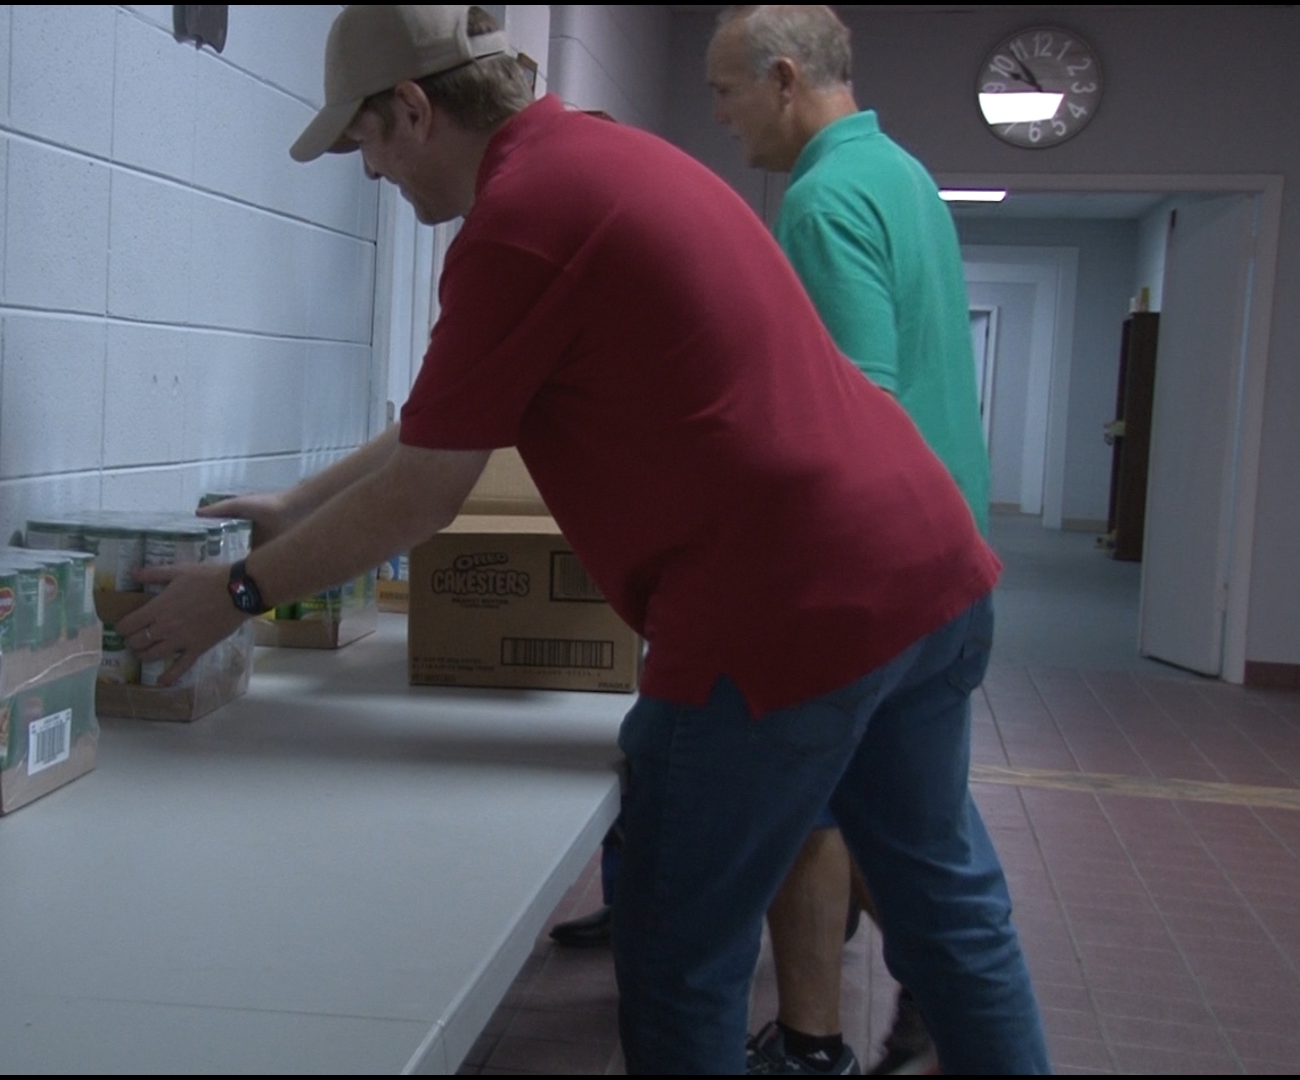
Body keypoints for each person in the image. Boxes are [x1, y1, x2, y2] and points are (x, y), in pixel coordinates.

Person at [115, 6, 1048, 1073]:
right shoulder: (596, 160)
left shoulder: (519, 221)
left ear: (413, 110)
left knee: (681, 949)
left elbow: (427, 490)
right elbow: (444, 421)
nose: (366, 170)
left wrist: (238, 590)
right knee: (948, 910)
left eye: (361, 141)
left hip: (785, 610)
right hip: (929, 574)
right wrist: (299, 507)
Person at [705, 7, 994, 1074]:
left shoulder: (821, 201)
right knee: (909, 822)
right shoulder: (906, 176)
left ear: (784, 80)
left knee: (816, 813)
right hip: (955, 558)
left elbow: (855, 410)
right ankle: (932, 1004)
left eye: (726, 91)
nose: (723, 117)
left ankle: (815, 1045)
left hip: (879, 578)